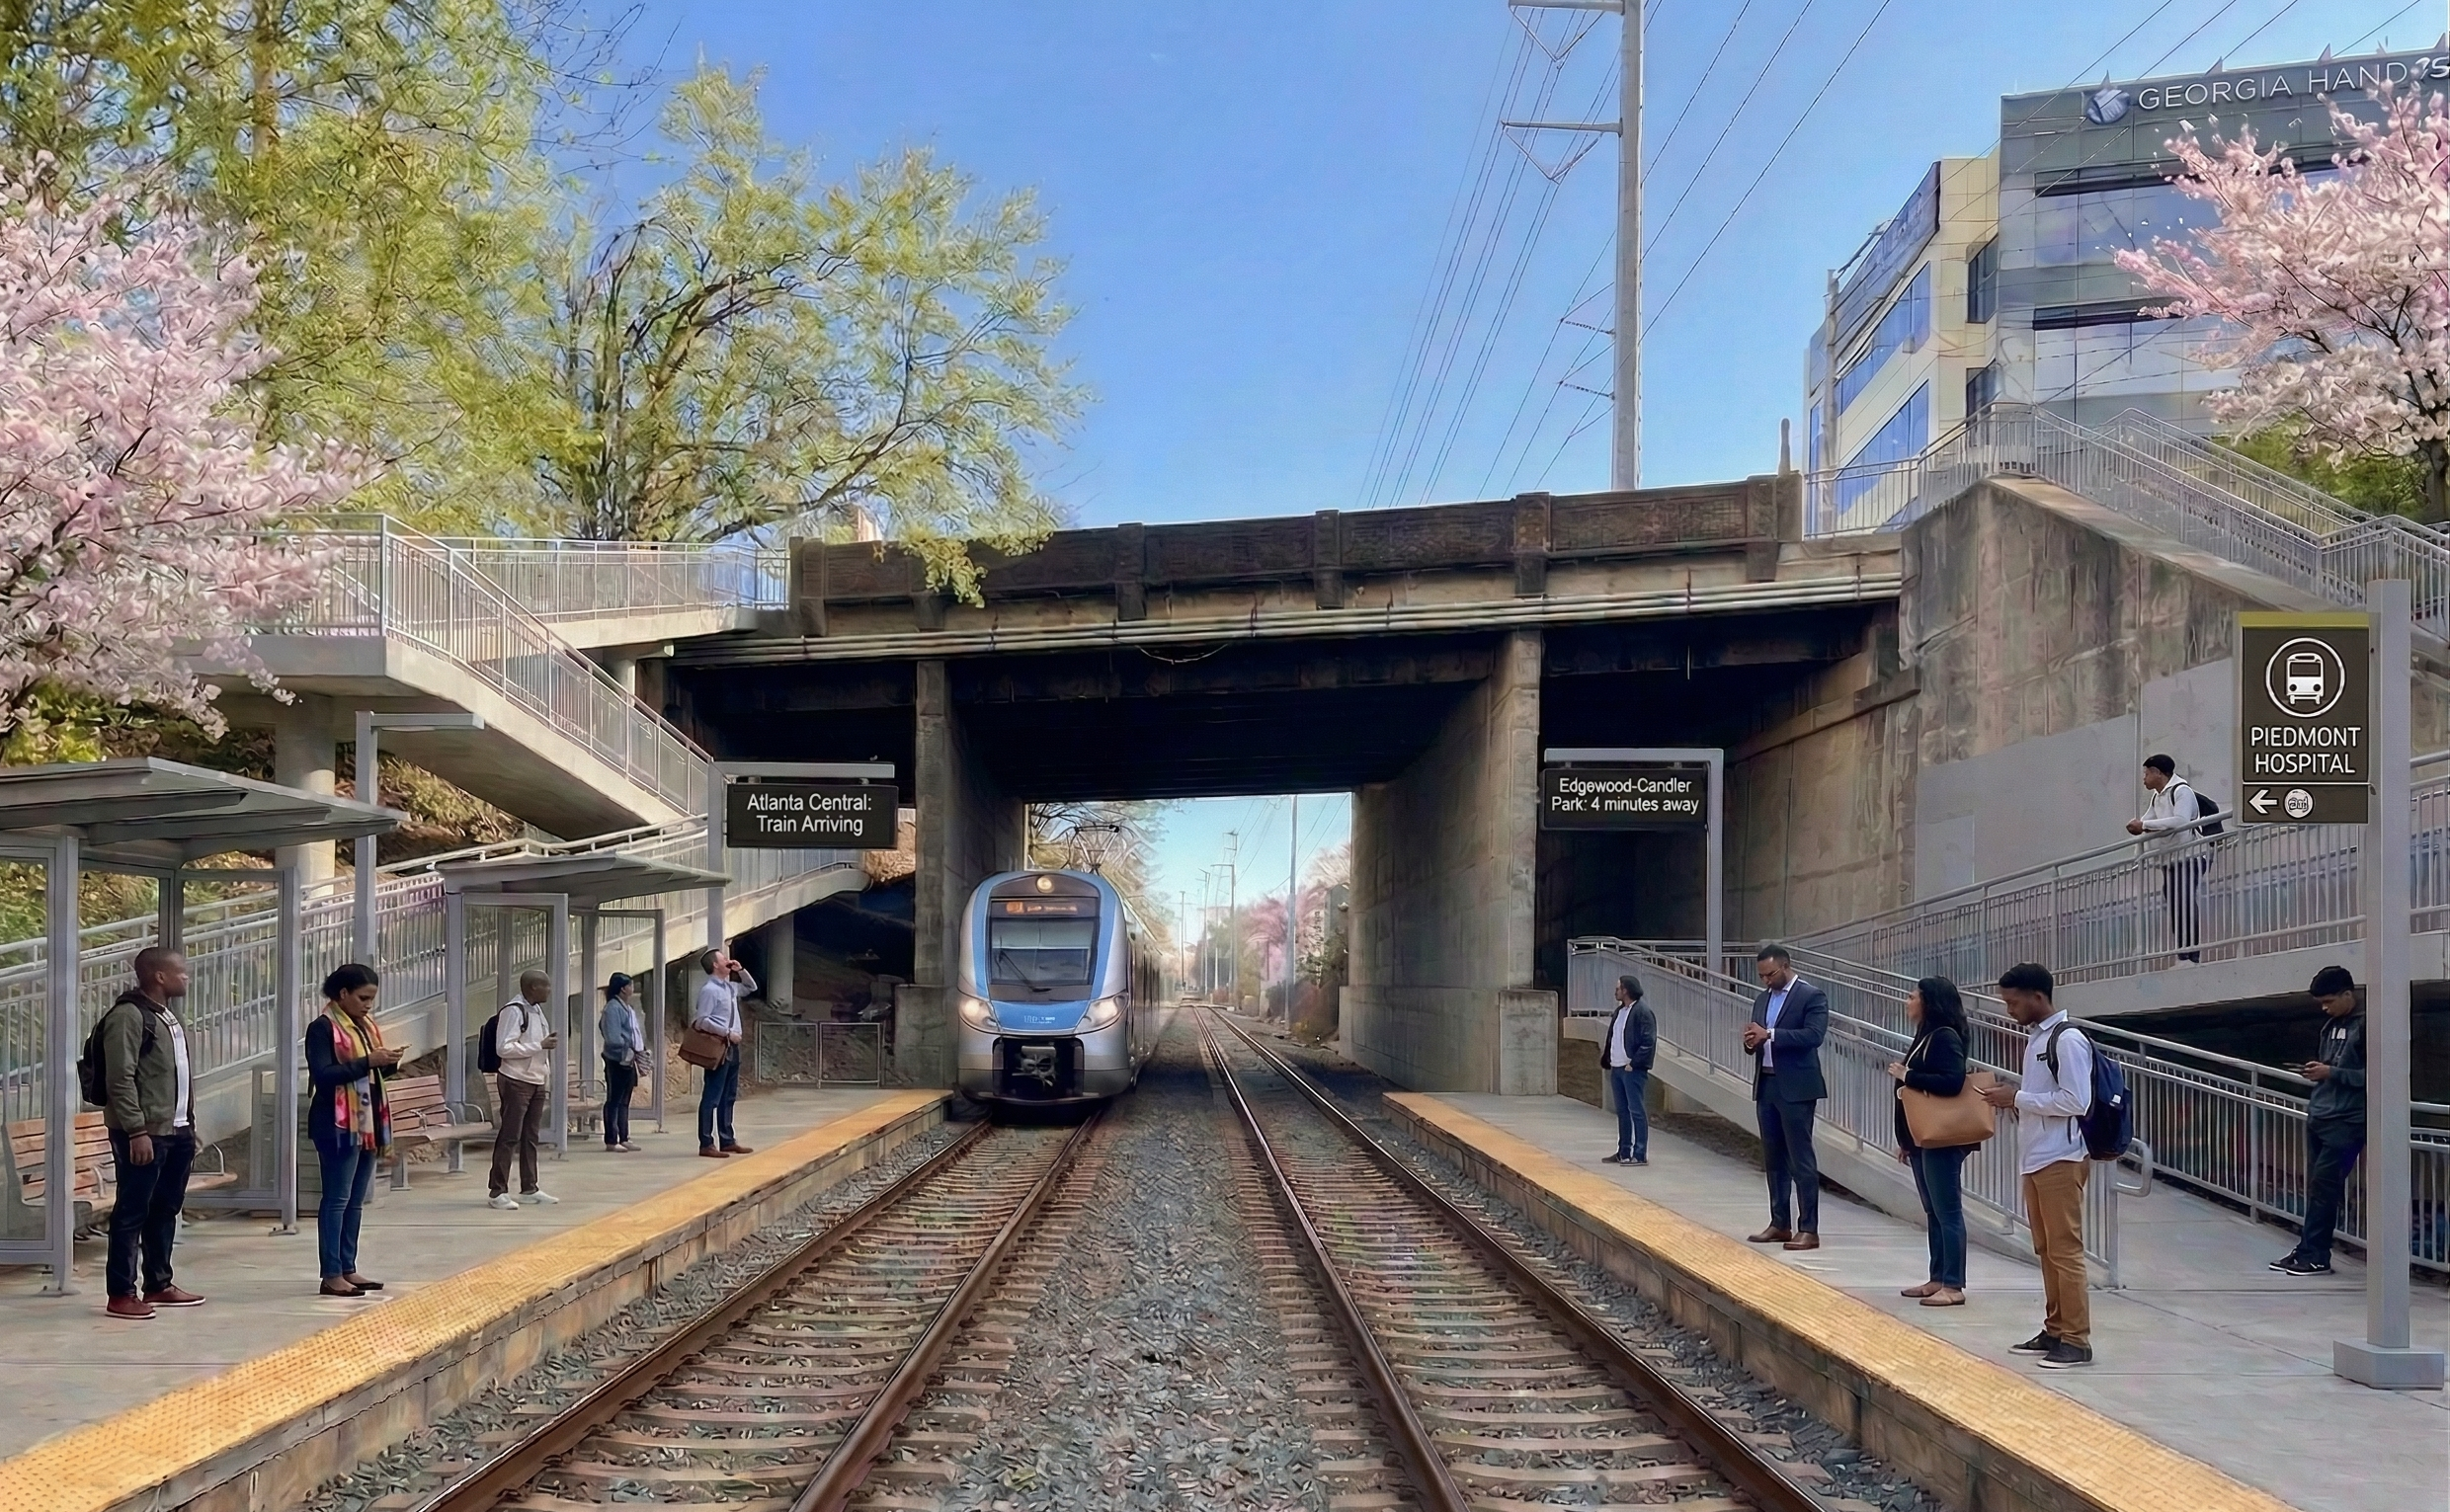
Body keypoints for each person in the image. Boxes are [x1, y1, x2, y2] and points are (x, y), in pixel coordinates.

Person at [1981, 962, 2094, 1370]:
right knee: (2046, 1249)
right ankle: (2056, 1327)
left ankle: (2076, 1339)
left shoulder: (2067, 1039)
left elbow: (2077, 1101)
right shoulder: (2038, 1039)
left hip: (2061, 1156)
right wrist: (2016, 1099)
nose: (2009, 1009)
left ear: (2038, 997)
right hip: (2037, 1156)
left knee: (2065, 1250)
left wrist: (2017, 1098)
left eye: (2013, 1002)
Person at [98, 947, 204, 1319]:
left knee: (165, 1208)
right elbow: (120, 1078)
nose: (186, 977)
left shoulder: (167, 1016)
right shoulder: (128, 1016)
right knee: (132, 1211)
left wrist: (187, 1125)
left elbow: (174, 1076)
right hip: (145, 1133)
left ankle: (158, 1283)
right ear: (159, 976)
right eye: (181, 971)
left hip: (176, 1129)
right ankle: (121, 1293)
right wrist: (136, 1130)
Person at [306, 964, 402, 1297]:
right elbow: (324, 1075)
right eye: (363, 998)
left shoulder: (365, 1027)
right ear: (342, 993)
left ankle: (348, 1266)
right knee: (337, 1199)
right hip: (337, 1124)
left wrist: (388, 1062)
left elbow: (373, 1075)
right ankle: (331, 1273)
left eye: (372, 999)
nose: (368, 1005)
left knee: (355, 1201)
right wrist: (367, 1062)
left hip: (367, 1123)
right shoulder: (323, 1028)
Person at [2271, 965, 2366, 1276]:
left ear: (2348, 994)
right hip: (2321, 1115)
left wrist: (2331, 1073)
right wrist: (2319, 1071)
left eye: (2329, 1001)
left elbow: (2378, 1076)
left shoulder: (2367, 1025)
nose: (2325, 1008)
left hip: (2347, 1121)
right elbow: (2331, 1065)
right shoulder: (2330, 1027)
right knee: (2316, 1189)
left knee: (2326, 1189)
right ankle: (2307, 1249)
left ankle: (2316, 1256)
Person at [1889, 976, 1974, 1308]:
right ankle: (1937, 1277)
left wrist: (1907, 1075)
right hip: (1921, 1140)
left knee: (1947, 1211)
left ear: (1929, 1002)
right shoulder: (1926, 1035)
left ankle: (1953, 1284)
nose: (1908, 1002)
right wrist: (1906, 1139)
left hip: (1941, 1140)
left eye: (1913, 997)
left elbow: (1953, 1081)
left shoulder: (1944, 1036)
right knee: (1933, 1211)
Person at [1742, 944, 1831, 1251]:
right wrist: (1751, 1041)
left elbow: (1813, 1036)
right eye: (1762, 976)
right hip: (1767, 1083)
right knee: (1773, 1157)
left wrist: (1771, 1034)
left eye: (1770, 974)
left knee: (1800, 1158)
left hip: (1797, 1087)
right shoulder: (1762, 999)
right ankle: (1779, 1222)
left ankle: (1809, 1228)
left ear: (1786, 966)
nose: (1766, 980)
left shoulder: (1811, 996)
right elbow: (1758, 1036)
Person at [487, 969, 559, 1210]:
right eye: (545, 986)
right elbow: (503, 1048)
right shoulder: (513, 1011)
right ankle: (497, 1191)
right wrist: (540, 1044)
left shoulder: (536, 1011)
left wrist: (544, 1068)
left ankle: (530, 1187)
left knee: (531, 1136)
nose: (549, 990)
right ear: (532, 988)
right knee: (510, 1135)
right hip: (516, 1080)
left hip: (536, 1080)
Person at [2127, 754, 2209, 963]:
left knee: (2184, 901)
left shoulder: (2181, 791)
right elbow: (2147, 821)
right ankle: (2183, 953)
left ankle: (2192, 954)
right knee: (2175, 903)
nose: (2144, 778)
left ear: (2157, 773)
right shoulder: (2158, 797)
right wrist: (2139, 828)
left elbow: (2180, 821)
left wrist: (2144, 825)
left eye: (2146, 773)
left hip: (2190, 856)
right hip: (2172, 859)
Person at [693, 948, 757, 1158]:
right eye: (724, 959)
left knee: (728, 1095)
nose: (728, 961)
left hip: (732, 1046)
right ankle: (706, 1142)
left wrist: (741, 970)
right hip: (719, 1045)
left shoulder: (729, 987)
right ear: (715, 965)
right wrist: (727, 1032)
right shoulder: (709, 990)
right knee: (712, 1095)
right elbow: (702, 1020)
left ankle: (727, 1139)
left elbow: (751, 987)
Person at [1599, 975, 1657, 1166]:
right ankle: (1624, 1151)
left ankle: (1639, 1154)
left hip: (1632, 1069)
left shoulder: (1642, 1012)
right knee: (1622, 1111)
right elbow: (1613, 1037)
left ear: (1626, 990)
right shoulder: (1619, 1012)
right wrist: (1608, 1058)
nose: (1615, 991)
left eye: (1618, 988)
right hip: (1617, 1067)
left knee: (1636, 1110)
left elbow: (1648, 1041)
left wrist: (1635, 1062)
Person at [599, 973, 644, 1154]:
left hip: (629, 1059)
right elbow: (612, 1037)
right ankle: (611, 1139)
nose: (633, 988)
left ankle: (624, 1136)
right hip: (617, 1059)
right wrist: (627, 1045)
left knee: (624, 1100)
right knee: (614, 1100)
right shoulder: (612, 1009)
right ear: (623, 988)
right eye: (630, 985)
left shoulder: (626, 1007)